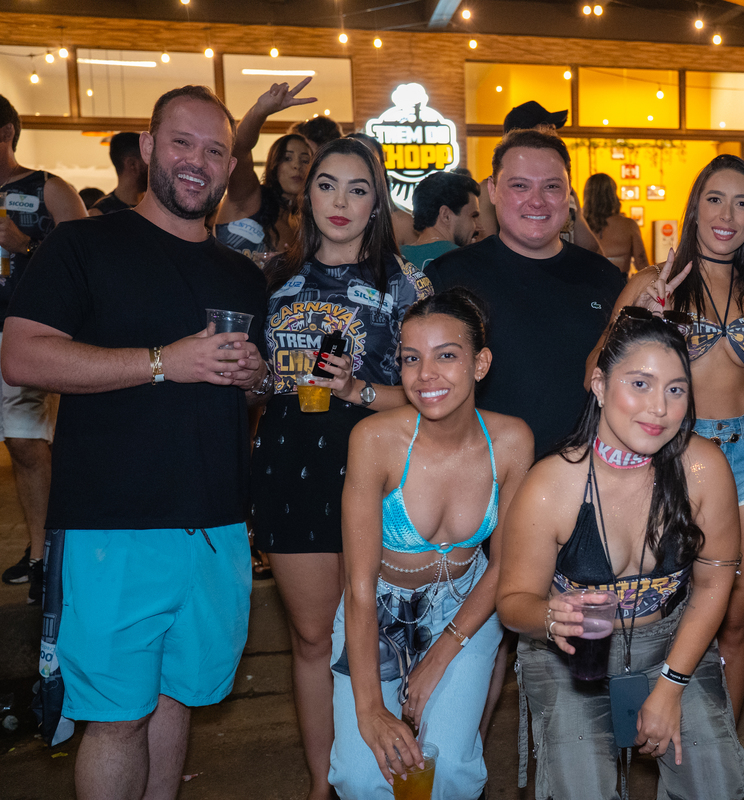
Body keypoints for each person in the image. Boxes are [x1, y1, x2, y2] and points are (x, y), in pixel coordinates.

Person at [1, 84, 269, 800]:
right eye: (181, 143)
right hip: (110, 528)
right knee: (116, 717)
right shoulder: (83, 244)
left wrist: (254, 377)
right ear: (148, 147)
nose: (197, 162)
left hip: (216, 526)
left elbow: (245, 394)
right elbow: (22, 356)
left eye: (214, 150)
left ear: (230, 164)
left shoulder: (241, 275)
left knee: (178, 700)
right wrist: (162, 362)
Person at [497, 312, 744, 800]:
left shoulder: (704, 469)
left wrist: (671, 686)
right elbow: (512, 602)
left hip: (672, 645)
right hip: (570, 660)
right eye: (640, 384)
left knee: (715, 787)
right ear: (599, 385)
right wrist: (550, 615)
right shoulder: (550, 486)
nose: (659, 408)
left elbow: (714, 584)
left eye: (676, 390)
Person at [586, 154, 744, 727]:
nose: (727, 215)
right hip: (680, 455)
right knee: (670, 613)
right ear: (694, 210)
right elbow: (594, 377)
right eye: (715, 199)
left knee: (736, 616)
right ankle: (660, 729)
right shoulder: (654, 283)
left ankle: (720, 750)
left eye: (742, 204)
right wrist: (636, 319)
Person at [252, 137, 432, 800]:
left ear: (376, 204)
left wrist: (357, 389)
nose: (341, 202)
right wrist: (257, 378)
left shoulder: (405, 285)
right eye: (327, 185)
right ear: (307, 194)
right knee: (310, 638)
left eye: (359, 190)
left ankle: (390, 775)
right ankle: (321, 785)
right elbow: (257, 384)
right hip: (288, 466)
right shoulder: (273, 278)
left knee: (384, 632)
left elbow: (432, 393)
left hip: (376, 472)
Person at [331, 288, 533, 800]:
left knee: (450, 773)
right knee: (362, 776)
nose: (426, 375)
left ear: (480, 364)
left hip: (466, 610)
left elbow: (504, 565)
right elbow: (357, 585)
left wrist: (442, 655)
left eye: (446, 356)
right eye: (411, 359)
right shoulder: (374, 440)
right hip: (376, 609)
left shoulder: (511, 442)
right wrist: (370, 709)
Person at [425, 128, 625, 457]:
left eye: (552, 186)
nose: (537, 200)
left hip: (586, 473)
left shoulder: (604, 278)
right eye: (520, 185)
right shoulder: (449, 276)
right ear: (493, 190)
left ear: (569, 194)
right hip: (483, 474)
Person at [0, 93, 88, 605]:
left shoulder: (48, 188)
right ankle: (37, 549)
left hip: (27, 329)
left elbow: (84, 263)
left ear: (6, 133)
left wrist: (25, 246)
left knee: (25, 442)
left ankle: (44, 555)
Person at [475, 101, 603, 255]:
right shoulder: (490, 190)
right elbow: (487, 249)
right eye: (548, 130)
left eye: (553, 130)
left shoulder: (564, 190)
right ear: (523, 135)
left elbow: (590, 246)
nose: (555, 136)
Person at [215, 79, 316, 258]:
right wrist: (260, 111)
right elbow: (239, 148)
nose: (297, 166)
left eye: (305, 160)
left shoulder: (307, 226)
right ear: (273, 164)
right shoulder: (248, 196)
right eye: (287, 158)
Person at [402, 171, 482, 269]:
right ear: (445, 215)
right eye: (473, 216)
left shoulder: (394, 259)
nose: (479, 226)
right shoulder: (468, 261)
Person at [583, 172, 649, 275]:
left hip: (586, 282)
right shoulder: (629, 225)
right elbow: (642, 265)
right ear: (613, 195)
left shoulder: (580, 226)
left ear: (587, 196)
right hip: (619, 282)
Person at [89, 131, 148, 215]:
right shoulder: (100, 214)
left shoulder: (156, 209)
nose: (155, 169)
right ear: (132, 164)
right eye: (149, 161)